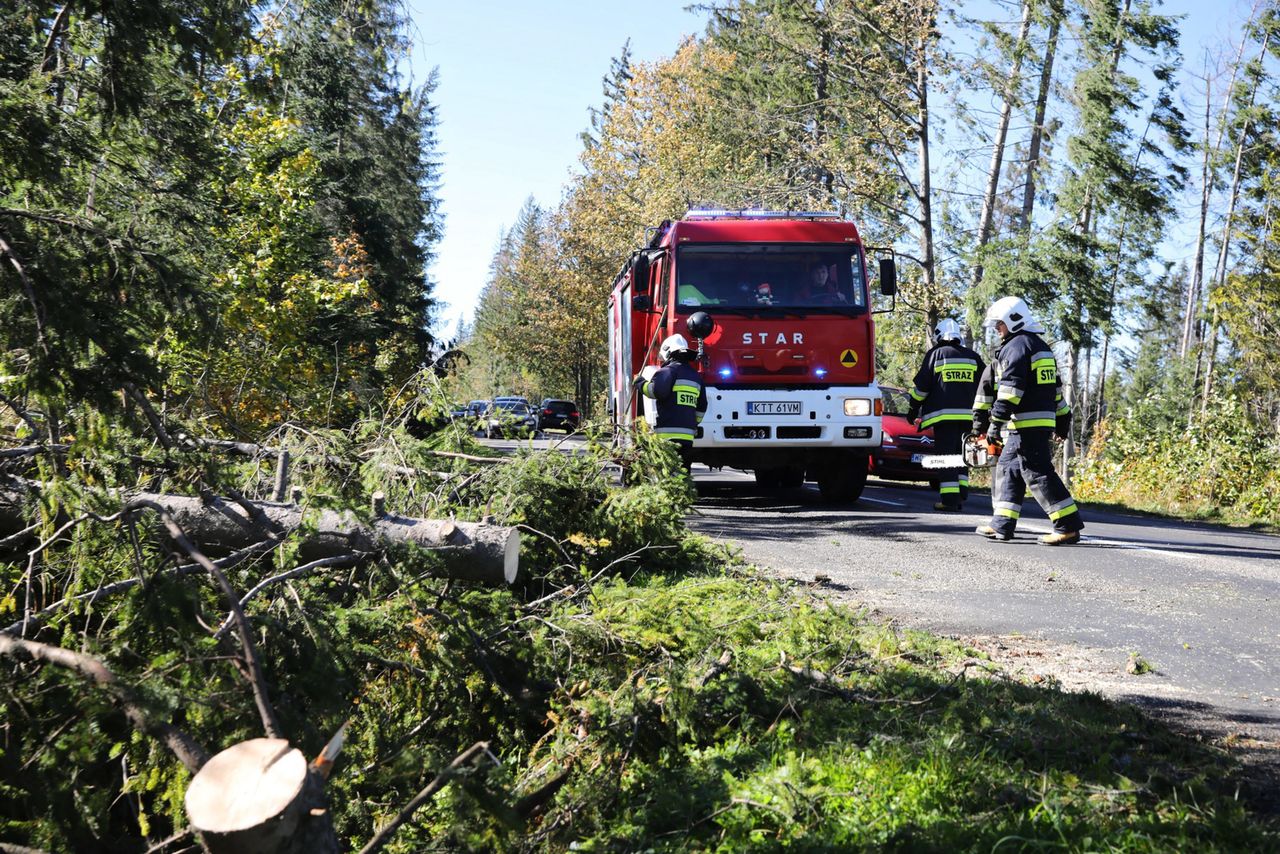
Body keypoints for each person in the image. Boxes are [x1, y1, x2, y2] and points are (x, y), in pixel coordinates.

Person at [975, 296, 1083, 546]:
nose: (996, 329)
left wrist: (994, 423)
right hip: (1028, 423)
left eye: (999, 323)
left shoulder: (1017, 347)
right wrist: (1063, 418)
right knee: (1009, 468)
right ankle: (1002, 524)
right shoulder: (1039, 346)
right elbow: (1055, 391)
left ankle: (1067, 525)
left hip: (1026, 423)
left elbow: (1010, 391)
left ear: (1014, 320)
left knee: (1038, 473)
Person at [906, 318, 985, 511]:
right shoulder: (973, 357)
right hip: (968, 418)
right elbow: (987, 386)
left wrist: (913, 409)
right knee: (962, 455)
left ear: (939, 335)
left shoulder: (936, 354)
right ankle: (961, 493)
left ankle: (949, 500)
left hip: (944, 418)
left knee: (947, 457)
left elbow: (921, 389)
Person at [635, 334, 708, 470]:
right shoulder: (695, 376)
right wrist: (692, 422)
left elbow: (656, 391)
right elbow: (702, 407)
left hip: (667, 435)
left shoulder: (667, 371)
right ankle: (683, 491)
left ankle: (672, 491)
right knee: (682, 470)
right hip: (687, 437)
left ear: (668, 353)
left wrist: (640, 383)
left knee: (666, 472)